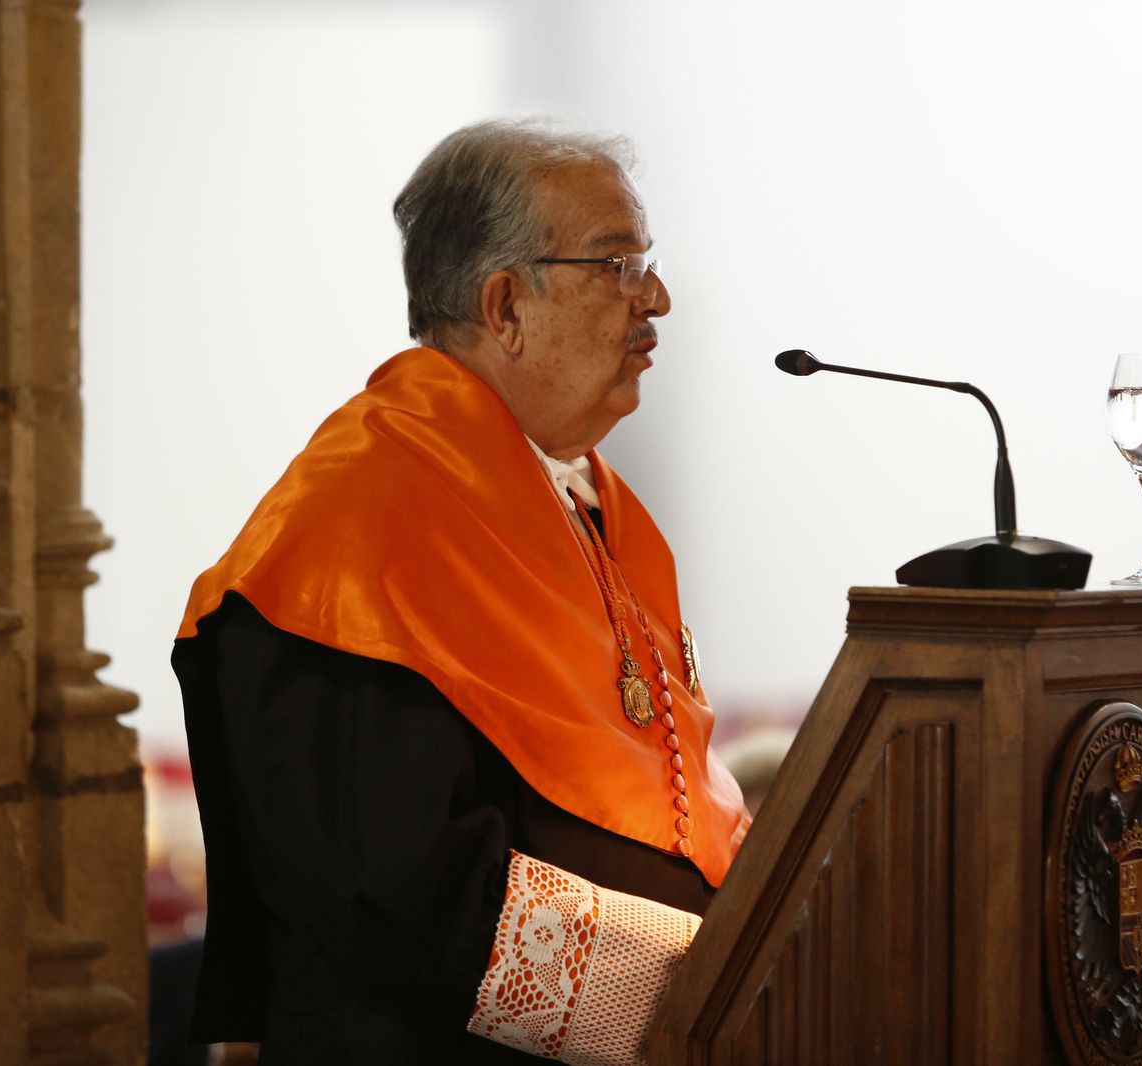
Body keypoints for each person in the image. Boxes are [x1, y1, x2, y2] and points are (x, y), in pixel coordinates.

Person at [172, 120, 751, 1065]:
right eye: (617, 265)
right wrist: (705, 981)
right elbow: (393, 883)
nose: (657, 298)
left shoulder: (584, 505)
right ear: (505, 306)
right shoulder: (361, 516)